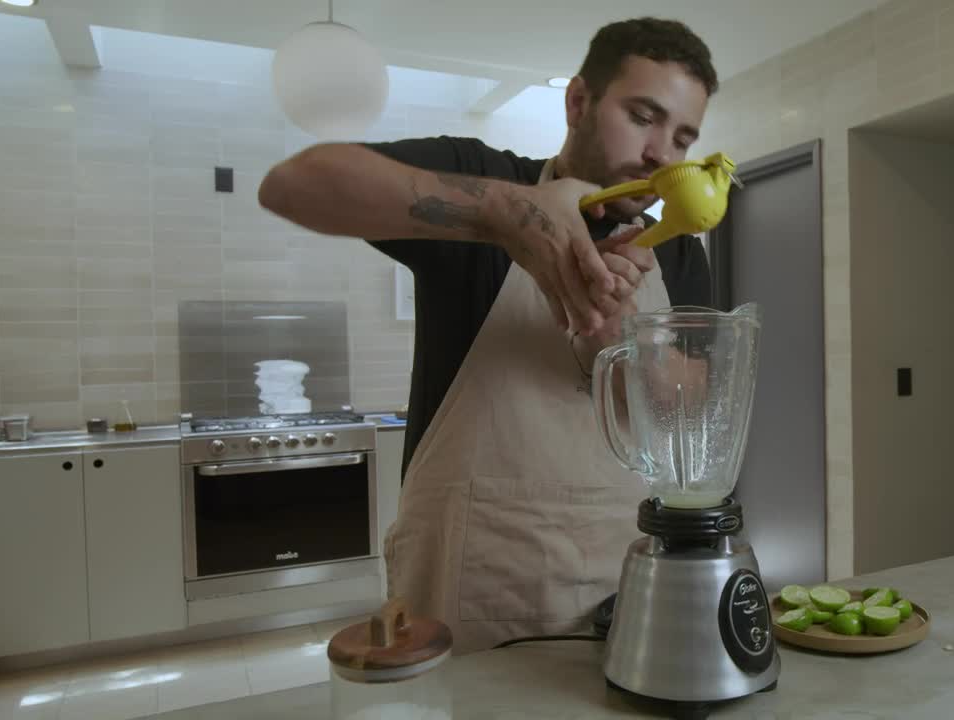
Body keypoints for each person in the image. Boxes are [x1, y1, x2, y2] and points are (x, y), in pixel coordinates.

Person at [258, 17, 717, 653]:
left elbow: (688, 426)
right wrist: (501, 215)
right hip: (475, 590)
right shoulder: (482, 174)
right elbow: (294, 185)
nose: (661, 155)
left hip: (632, 590)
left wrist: (616, 342)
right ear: (578, 102)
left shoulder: (681, 254)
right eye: (643, 116)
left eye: (683, 137)